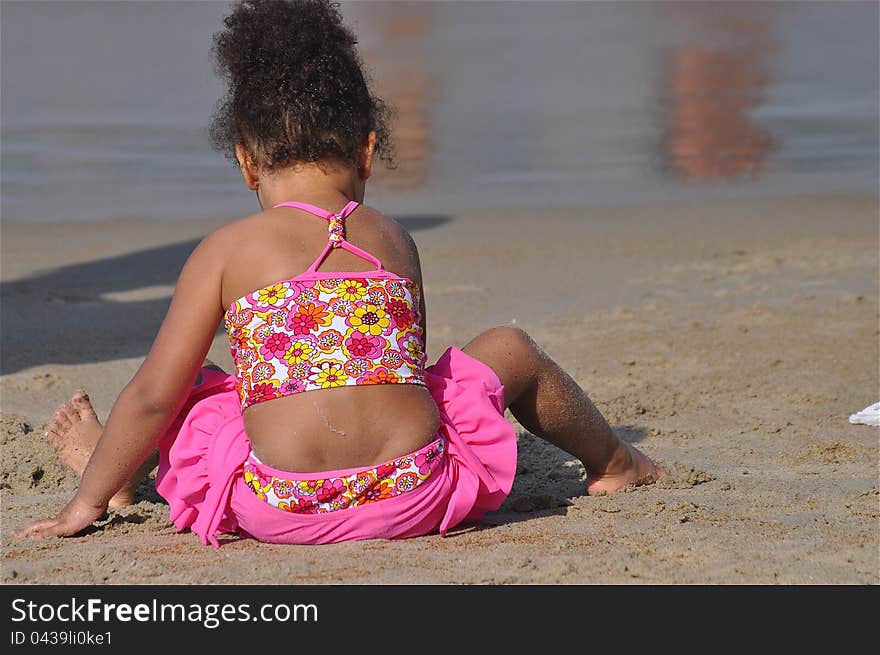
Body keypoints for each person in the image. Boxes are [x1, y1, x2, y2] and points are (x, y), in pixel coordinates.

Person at [15, 0, 665, 546]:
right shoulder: (396, 239)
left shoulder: (225, 249)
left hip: (280, 506)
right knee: (511, 349)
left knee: (192, 390)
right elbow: (399, 374)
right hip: (417, 495)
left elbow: (153, 396)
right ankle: (614, 460)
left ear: (245, 162)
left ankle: (110, 477)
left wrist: (82, 507)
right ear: (368, 150)